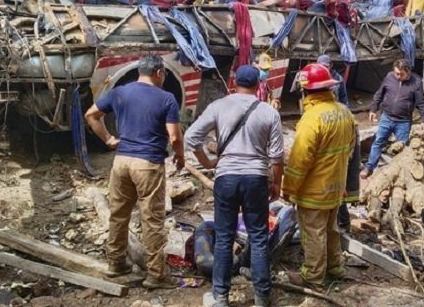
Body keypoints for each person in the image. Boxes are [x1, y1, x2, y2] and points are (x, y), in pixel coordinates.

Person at [185, 65, 284, 307]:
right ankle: (262, 297)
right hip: (256, 179)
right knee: (259, 237)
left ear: (234, 82)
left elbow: (191, 138)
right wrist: (276, 185)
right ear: (258, 85)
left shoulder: (219, 106)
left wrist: (207, 162)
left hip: (226, 177)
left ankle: (220, 297)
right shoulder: (269, 112)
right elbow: (278, 157)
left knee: (225, 237)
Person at [84, 54, 185, 289]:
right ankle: (156, 275)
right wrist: (179, 156)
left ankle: (116, 263)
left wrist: (108, 139)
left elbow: (91, 115)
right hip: (148, 164)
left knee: (119, 214)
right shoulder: (166, 98)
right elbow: (174, 136)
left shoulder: (120, 92)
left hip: (121, 162)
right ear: (159, 73)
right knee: (152, 219)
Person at [282, 63, 356, 289]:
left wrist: (289, 188)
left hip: (314, 190)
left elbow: (299, 160)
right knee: (331, 229)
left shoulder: (312, 118)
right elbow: (350, 150)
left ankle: (313, 276)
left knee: (313, 233)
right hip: (336, 187)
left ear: (306, 90)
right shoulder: (345, 112)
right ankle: (335, 267)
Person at [360, 59, 424, 179]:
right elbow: (380, 93)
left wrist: (423, 120)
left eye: (401, 74)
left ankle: (401, 173)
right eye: (396, 73)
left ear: (408, 72)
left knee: (403, 148)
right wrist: (373, 109)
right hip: (386, 117)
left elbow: (421, 103)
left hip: (403, 121)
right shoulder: (389, 76)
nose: (398, 76)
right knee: (378, 142)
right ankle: (369, 167)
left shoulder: (416, 82)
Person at [316, 55, 360, 232]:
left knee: (337, 191)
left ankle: (341, 223)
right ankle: (340, 224)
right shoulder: (343, 120)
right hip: (337, 165)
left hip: (332, 168)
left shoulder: (337, 81)